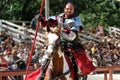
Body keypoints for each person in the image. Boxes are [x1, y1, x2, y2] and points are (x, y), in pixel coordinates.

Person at [38, 2, 95, 80]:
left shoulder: (76, 20)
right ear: (64, 9)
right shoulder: (58, 17)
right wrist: (42, 20)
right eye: (67, 9)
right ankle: (42, 74)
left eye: (71, 9)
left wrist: (60, 32)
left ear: (73, 10)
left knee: (78, 62)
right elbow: (47, 23)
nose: (69, 10)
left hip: (71, 44)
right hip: (58, 43)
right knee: (46, 57)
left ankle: (77, 76)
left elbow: (72, 36)